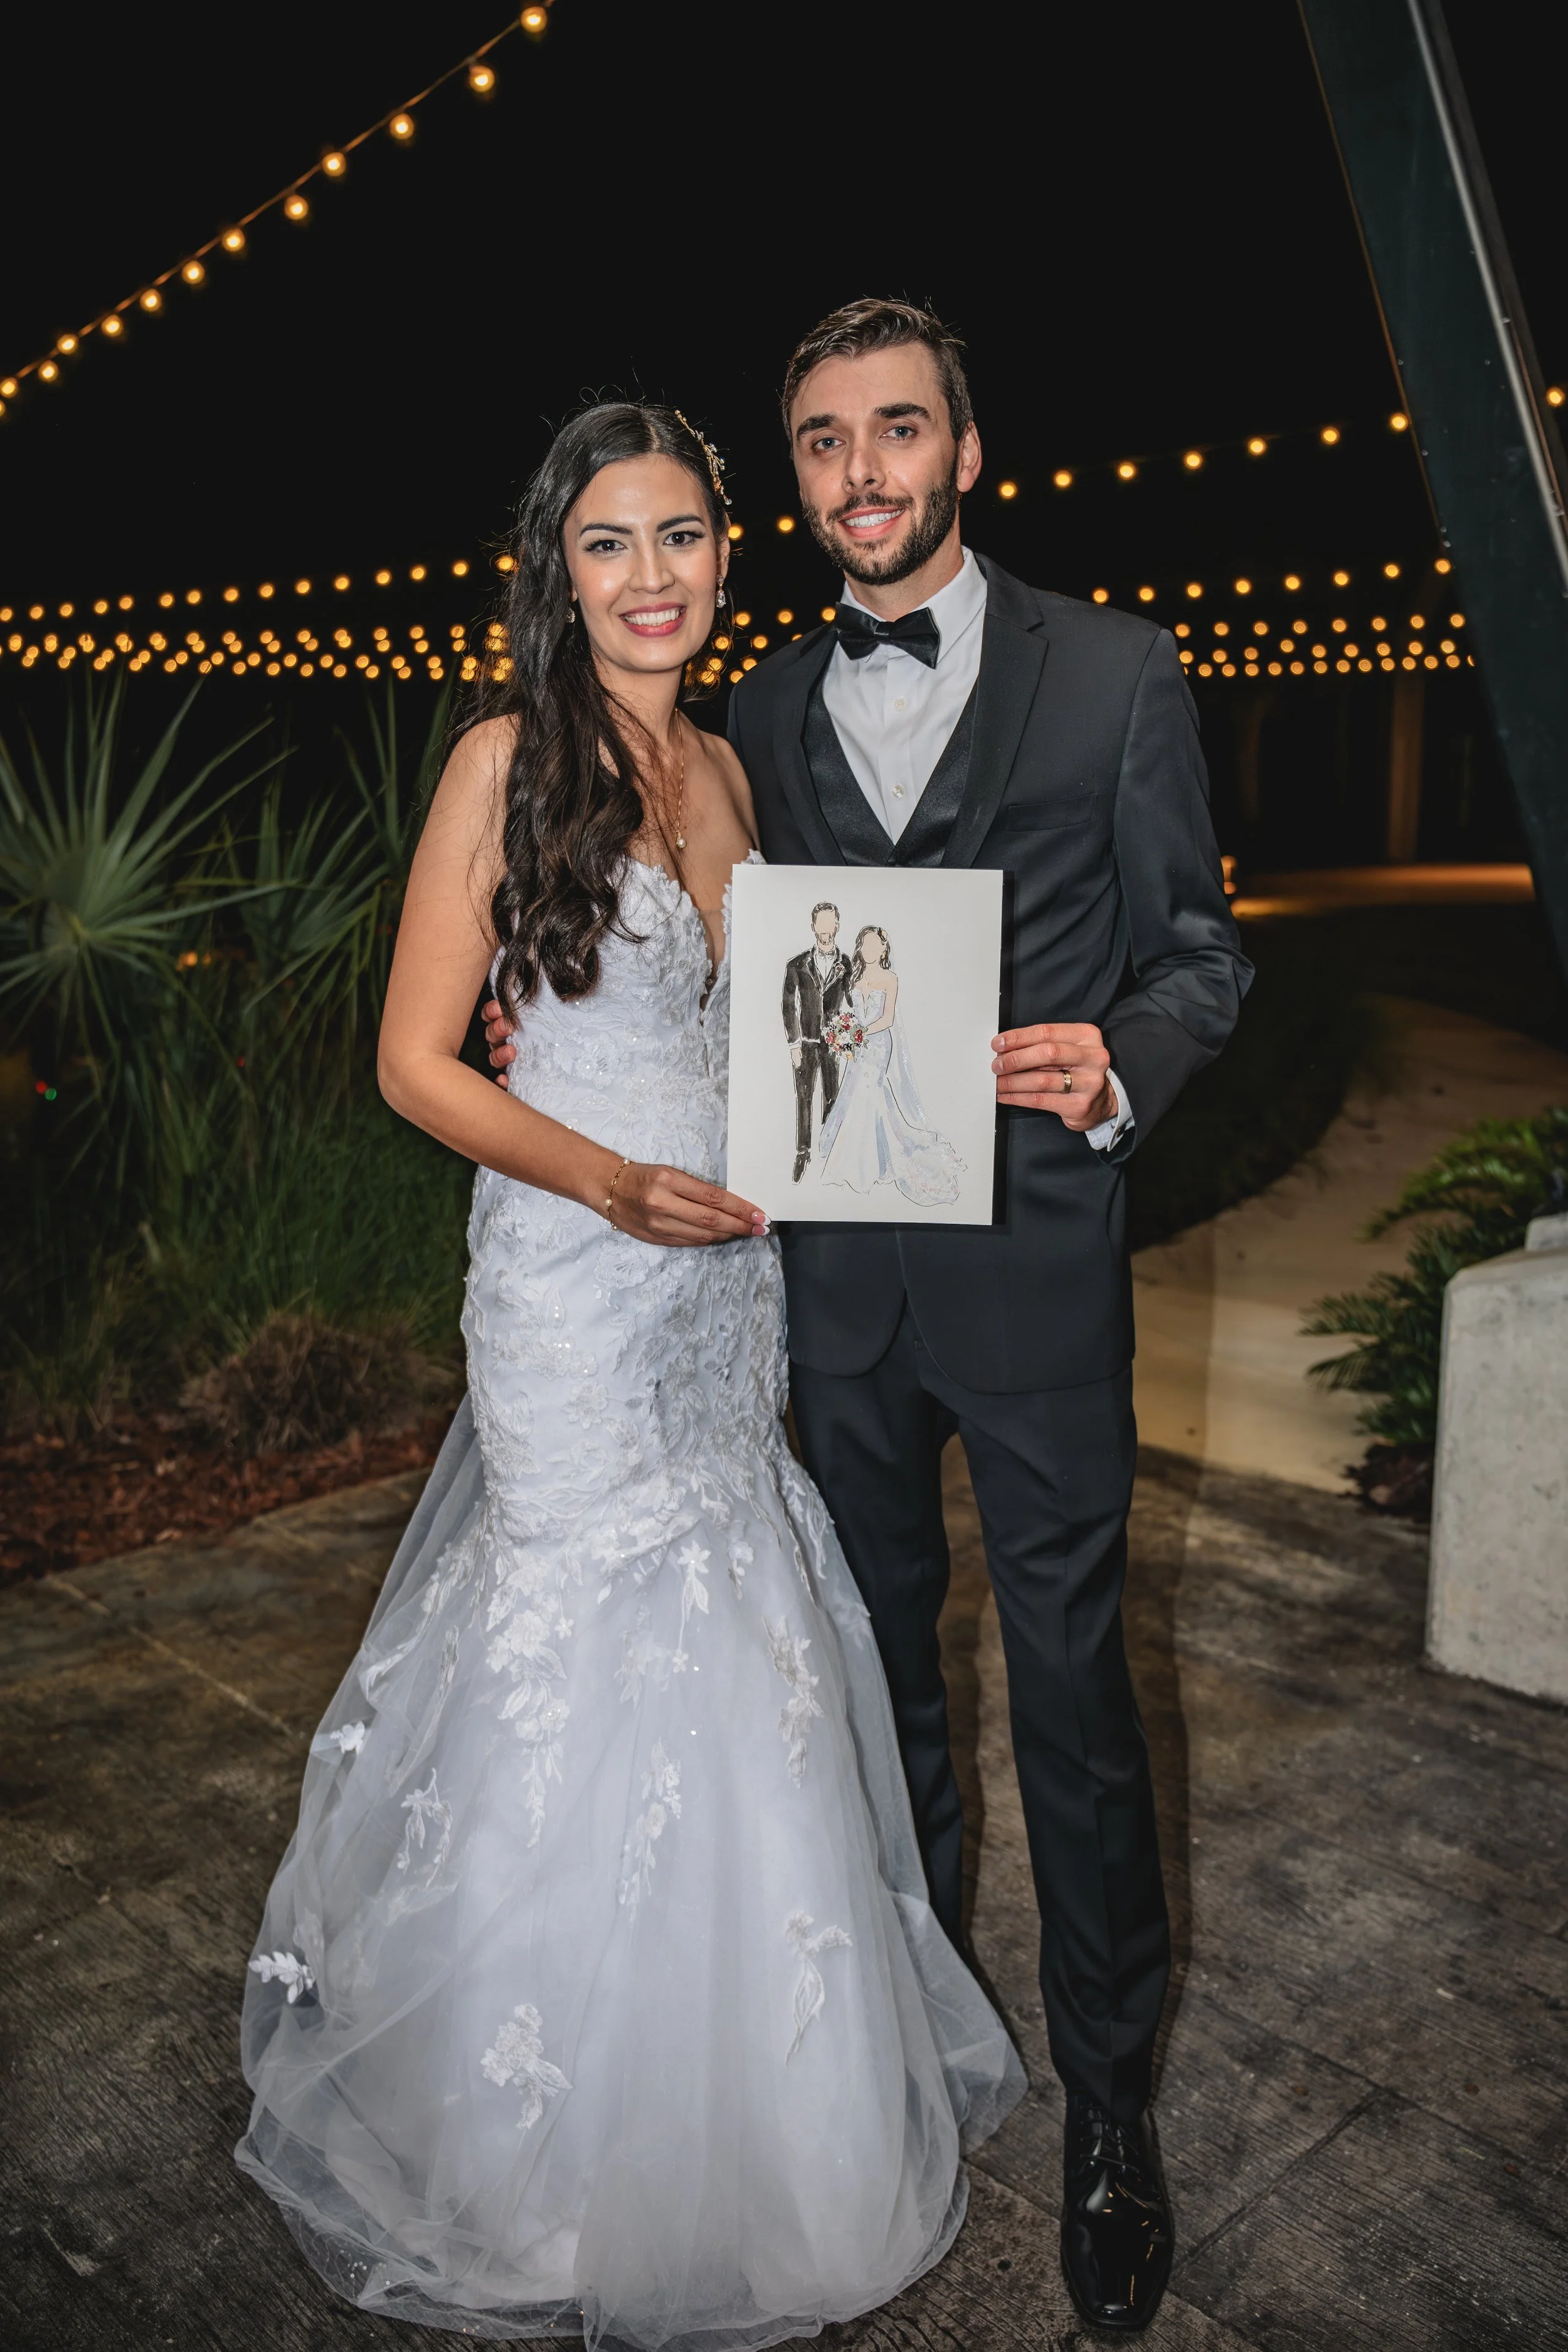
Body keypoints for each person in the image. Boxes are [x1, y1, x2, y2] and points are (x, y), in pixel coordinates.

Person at [236, 400, 1022, 2349]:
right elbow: (419, 1062)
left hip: (717, 1288)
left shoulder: (736, 774)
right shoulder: (508, 759)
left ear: (720, 557)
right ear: (556, 571)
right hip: (579, 1278)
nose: (651, 574)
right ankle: (540, 2151)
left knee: (734, 1642)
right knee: (576, 1650)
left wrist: (910, 1096)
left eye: (679, 534)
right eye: (609, 542)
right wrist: (603, 1177)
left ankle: (749, 2120)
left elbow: (800, 1035)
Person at [817, 924, 964, 1205]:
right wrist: (844, 1032)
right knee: (855, 1094)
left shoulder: (890, 978)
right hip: (857, 1046)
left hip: (878, 1045)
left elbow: (887, 1020)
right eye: (865, 944)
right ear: (860, 948)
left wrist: (857, 1032)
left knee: (870, 1092)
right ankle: (857, 1157)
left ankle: (875, 1161)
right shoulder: (853, 977)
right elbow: (849, 1011)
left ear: (884, 949)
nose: (870, 949)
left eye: (875, 945)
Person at [780, 898, 849, 1180]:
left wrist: (849, 1034)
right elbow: (788, 1005)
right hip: (805, 1044)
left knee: (833, 1096)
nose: (825, 929)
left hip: (833, 1043)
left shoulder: (846, 963)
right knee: (804, 1097)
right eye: (820, 923)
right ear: (813, 926)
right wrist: (794, 1043)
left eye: (830, 923)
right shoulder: (796, 964)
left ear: (837, 925)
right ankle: (803, 1152)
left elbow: (853, 1000)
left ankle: (829, 1149)